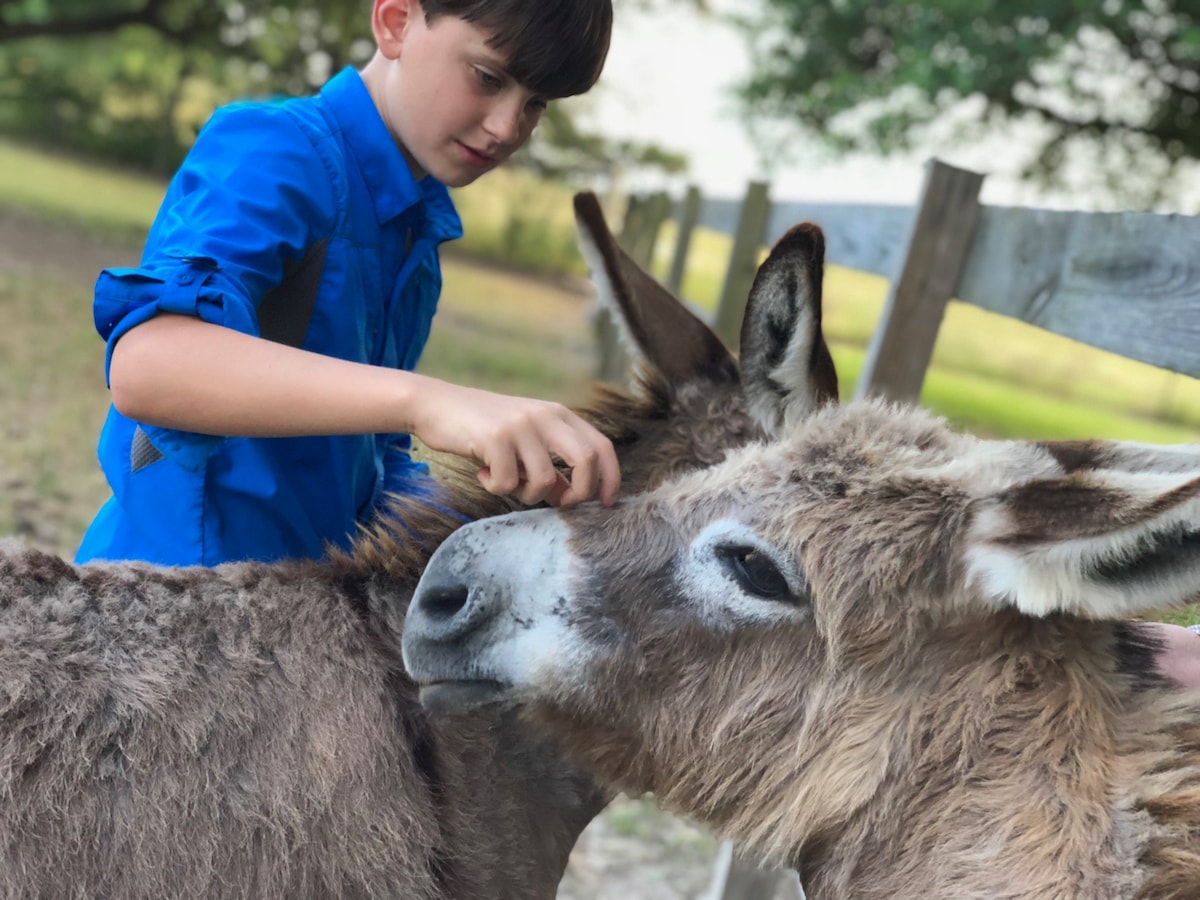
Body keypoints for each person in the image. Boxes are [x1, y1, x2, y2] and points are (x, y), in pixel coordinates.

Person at [75, 0, 619, 567]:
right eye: (488, 77)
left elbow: (369, 465)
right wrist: (428, 401)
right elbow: (150, 367)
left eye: (535, 104)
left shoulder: (416, 229)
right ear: (395, 21)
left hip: (293, 618)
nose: (508, 128)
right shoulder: (274, 151)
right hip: (168, 607)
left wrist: (502, 528)